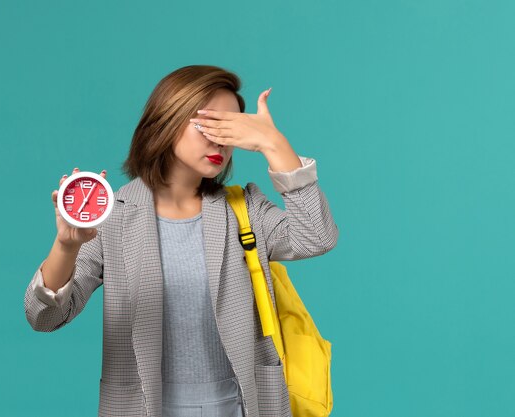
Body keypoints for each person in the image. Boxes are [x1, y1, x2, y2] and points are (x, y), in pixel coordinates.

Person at [24, 64, 339, 417]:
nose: (221, 140)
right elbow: (44, 317)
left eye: (232, 129)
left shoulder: (244, 210)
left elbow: (317, 235)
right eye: (210, 124)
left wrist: (273, 143)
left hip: (242, 406)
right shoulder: (112, 217)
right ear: (168, 120)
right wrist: (66, 245)